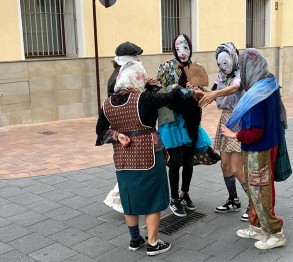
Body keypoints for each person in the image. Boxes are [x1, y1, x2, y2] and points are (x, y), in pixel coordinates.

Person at [96, 60, 203, 256]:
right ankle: (153, 243)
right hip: (148, 155)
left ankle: (135, 239)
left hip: (123, 158)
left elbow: (101, 132)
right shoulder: (143, 99)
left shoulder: (106, 104)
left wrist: (116, 136)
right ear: (137, 78)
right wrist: (188, 90)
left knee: (129, 197)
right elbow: (171, 96)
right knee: (153, 197)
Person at [221, 48, 286, 250]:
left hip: (259, 148)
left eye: (241, 67)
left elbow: (256, 131)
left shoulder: (257, 94)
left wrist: (235, 134)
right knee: (256, 188)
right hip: (264, 145)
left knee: (259, 191)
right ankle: (258, 226)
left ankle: (275, 232)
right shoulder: (269, 83)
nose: (241, 72)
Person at [156, 34, 212, 217]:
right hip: (172, 121)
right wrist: (179, 88)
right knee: (175, 161)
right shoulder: (165, 68)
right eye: (179, 48)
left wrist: (198, 92)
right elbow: (160, 91)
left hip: (189, 121)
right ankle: (174, 199)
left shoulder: (196, 69)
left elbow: (204, 94)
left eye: (186, 47)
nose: (182, 52)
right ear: (173, 49)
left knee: (188, 162)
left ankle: (184, 194)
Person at [204, 42, 249, 221]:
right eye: (220, 63)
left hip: (239, 119)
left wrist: (214, 95)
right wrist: (198, 91)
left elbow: (235, 87)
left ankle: (254, 204)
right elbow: (212, 91)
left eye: (226, 62)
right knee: (225, 165)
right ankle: (233, 200)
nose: (224, 66)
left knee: (238, 169)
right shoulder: (221, 76)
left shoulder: (241, 73)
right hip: (225, 119)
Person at [104, 41, 144, 213]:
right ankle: (119, 200)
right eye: (135, 57)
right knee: (130, 166)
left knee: (131, 165)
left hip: (126, 127)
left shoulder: (121, 73)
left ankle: (126, 199)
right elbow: (120, 104)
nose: (137, 60)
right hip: (126, 128)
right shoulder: (120, 77)